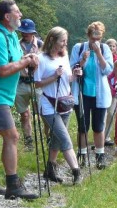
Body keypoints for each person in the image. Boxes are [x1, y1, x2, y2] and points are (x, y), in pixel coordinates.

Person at [0, 0, 39, 200]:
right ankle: (13, 184)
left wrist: (30, 62)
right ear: (7, 17)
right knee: (12, 136)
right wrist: (25, 61)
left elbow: (16, 64)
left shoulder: (12, 36)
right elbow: (3, 70)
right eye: (17, 12)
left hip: (5, 95)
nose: (20, 15)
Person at [34, 27, 83, 185]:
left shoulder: (64, 56)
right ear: (52, 40)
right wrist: (53, 76)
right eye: (62, 40)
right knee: (64, 139)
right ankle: (76, 171)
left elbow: (67, 79)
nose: (65, 44)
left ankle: (50, 169)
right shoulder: (41, 58)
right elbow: (37, 83)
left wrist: (75, 75)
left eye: (66, 41)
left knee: (56, 139)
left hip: (65, 103)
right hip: (49, 105)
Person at [70, 22, 114, 169]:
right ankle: (82, 154)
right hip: (82, 92)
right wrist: (82, 60)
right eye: (93, 37)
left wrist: (99, 54)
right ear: (88, 35)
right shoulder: (79, 48)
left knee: (98, 126)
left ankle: (99, 156)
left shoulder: (105, 48)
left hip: (99, 94)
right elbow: (72, 69)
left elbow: (108, 70)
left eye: (99, 37)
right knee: (83, 126)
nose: (96, 41)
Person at [15, 18, 44, 152]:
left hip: (37, 83)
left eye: (27, 32)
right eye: (22, 32)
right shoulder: (15, 44)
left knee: (43, 112)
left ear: (33, 32)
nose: (24, 34)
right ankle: (28, 139)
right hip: (21, 83)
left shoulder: (41, 45)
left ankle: (47, 136)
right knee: (24, 114)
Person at [103, 38, 117, 146]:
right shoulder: (101, 58)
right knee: (103, 114)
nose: (111, 47)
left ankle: (106, 136)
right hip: (103, 90)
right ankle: (100, 135)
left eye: (113, 46)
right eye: (109, 45)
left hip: (115, 90)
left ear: (116, 48)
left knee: (111, 113)